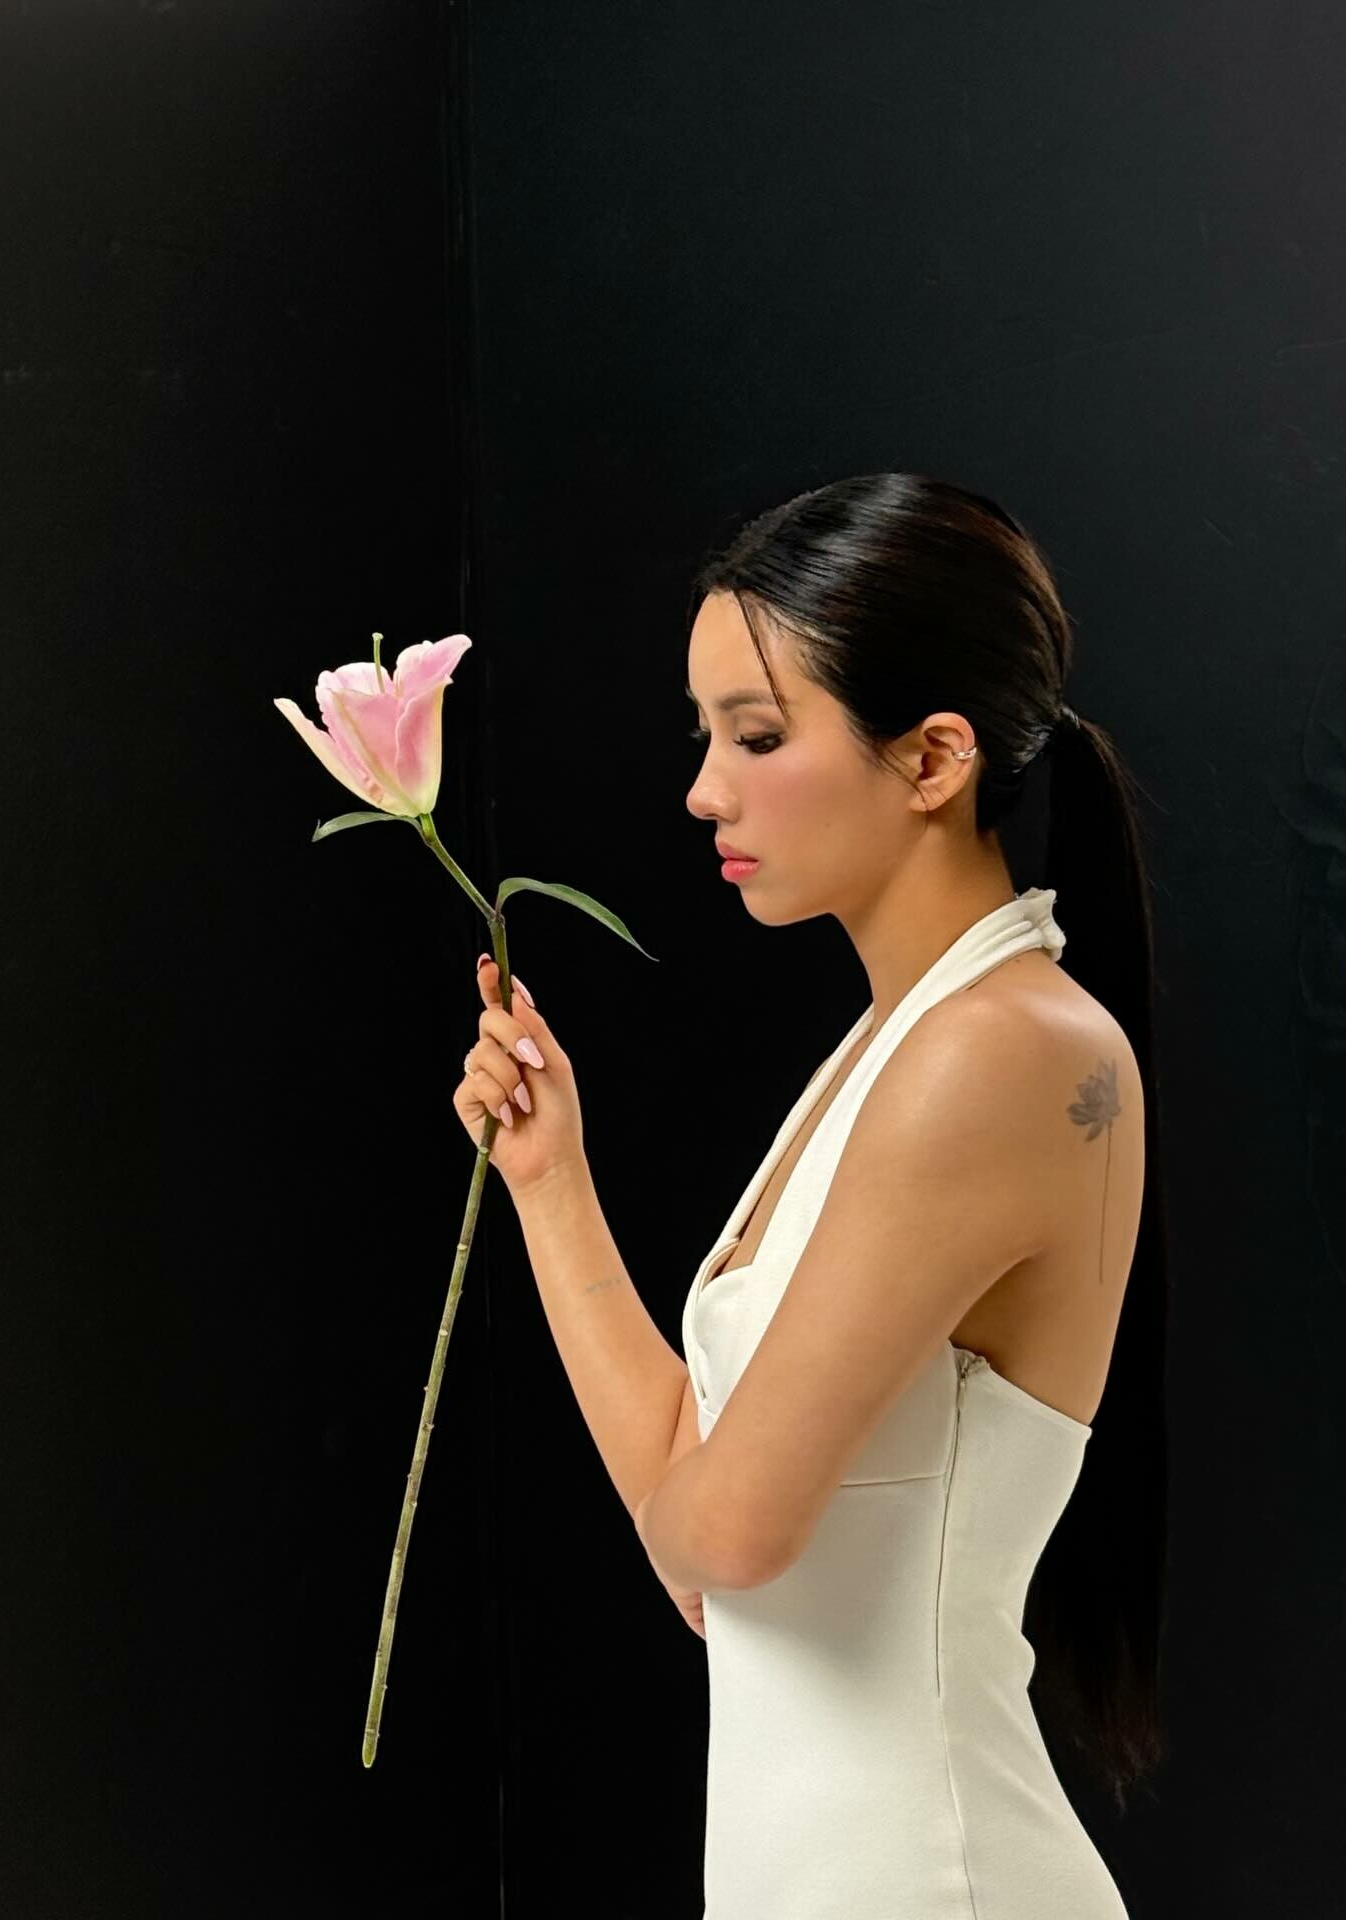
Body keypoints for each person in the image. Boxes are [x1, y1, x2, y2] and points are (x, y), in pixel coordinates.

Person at [456, 472, 1169, 1918]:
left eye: (759, 734)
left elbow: (726, 1536)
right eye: (706, 733)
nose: (704, 788)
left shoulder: (998, 1052)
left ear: (935, 757)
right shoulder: (898, 1045)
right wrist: (550, 1179)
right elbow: (702, 1495)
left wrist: (701, 1521)